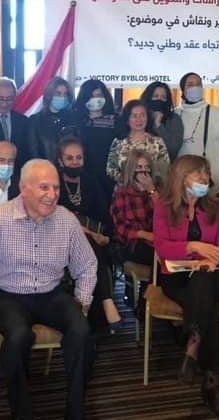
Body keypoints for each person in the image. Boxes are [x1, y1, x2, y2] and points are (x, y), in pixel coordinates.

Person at [0, 159, 97, 420]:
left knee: (82, 332)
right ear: (24, 188)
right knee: (18, 337)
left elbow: (86, 264)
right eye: (44, 187)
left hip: (52, 293)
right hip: (7, 296)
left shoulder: (66, 220)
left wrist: (82, 302)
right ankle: (22, 413)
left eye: (55, 188)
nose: (52, 195)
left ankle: (76, 412)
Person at [153, 155, 219, 420]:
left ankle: (192, 346)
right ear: (181, 177)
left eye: (206, 173)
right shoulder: (164, 207)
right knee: (209, 308)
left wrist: (212, 261)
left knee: (203, 280)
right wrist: (193, 246)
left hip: (214, 274)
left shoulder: (218, 206)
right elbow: (162, 248)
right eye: (197, 173)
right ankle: (210, 383)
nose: (204, 178)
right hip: (177, 277)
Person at [56, 136, 122, 333]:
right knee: (88, 243)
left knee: (92, 246)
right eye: (69, 158)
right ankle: (107, 300)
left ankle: (94, 311)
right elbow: (56, 217)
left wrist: (105, 236)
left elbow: (105, 216)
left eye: (79, 157)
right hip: (61, 241)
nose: (75, 162)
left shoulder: (92, 182)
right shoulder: (53, 183)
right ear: (60, 161)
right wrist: (86, 232)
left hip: (96, 237)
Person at [176, 72, 219, 194]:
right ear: (183, 89)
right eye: (190, 84)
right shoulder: (176, 114)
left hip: (213, 177)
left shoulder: (214, 112)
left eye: (198, 84)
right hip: (184, 178)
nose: (195, 87)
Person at [69, 79, 119, 199]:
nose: (96, 99)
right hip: (82, 176)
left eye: (99, 95)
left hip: (108, 177)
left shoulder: (116, 121)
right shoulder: (76, 122)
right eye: (91, 96)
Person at [111, 149, 159, 267]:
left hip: (156, 238)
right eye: (139, 167)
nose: (143, 171)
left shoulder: (156, 190)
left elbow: (163, 213)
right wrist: (146, 235)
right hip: (132, 242)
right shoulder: (121, 192)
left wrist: (151, 190)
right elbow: (121, 227)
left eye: (147, 167)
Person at [106, 99, 170, 184]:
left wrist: (147, 182)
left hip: (151, 188)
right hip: (124, 189)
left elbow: (165, 169)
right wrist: (127, 180)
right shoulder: (119, 141)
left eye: (142, 115)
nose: (139, 119)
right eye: (134, 116)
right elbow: (110, 169)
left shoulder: (157, 142)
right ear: (127, 120)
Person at [27, 76, 75, 161]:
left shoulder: (73, 118)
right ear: (49, 95)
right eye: (58, 93)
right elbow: (33, 152)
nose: (62, 97)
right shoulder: (35, 120)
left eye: (65, 94)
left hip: (70, 167)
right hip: (44, 167)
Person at [140, 81, 184, 160]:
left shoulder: (174, 119)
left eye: (163, 97)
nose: (159, 100)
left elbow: (173, 149)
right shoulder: (139, 117)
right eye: (155, 96)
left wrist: (159, 125)